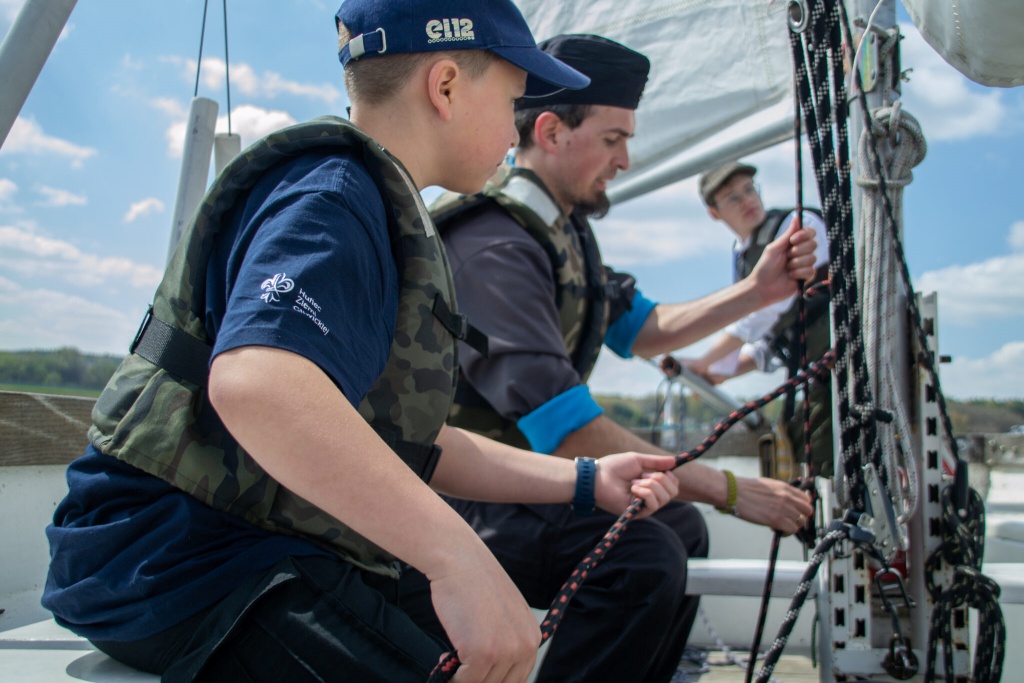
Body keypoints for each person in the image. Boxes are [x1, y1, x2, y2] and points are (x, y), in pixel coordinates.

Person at [40, 4, 684, 683]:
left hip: (248, 542)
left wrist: (585, 478)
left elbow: (415, 442)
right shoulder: (332, 199)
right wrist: (454, 556)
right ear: (445, 87)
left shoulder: (373, 206)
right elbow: (257, 383)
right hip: (171, 559)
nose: (513, 128)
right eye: (513, 100)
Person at [429, 34, 817, 683]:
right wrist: (730, 488)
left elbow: (644, 328)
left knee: (679, 528)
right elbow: (567, 431)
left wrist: (758, 290)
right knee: (642, 561)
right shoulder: (495, 246)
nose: (627, 160)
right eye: (613, 139)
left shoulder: (562, 231)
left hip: (518, 487)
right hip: (464, 493)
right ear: (551, 131)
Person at [667, 161, 833, 477]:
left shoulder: (796, 227)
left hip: (851, 371)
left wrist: (705, 362)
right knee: (805, 447)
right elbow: (768, 342)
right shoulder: (744, 257)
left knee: (825, 454)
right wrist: (720, 373)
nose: (747, 201)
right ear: (714, 212)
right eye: (733, 198)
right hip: (819, 379)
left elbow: (760, 316)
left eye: (749, 190)